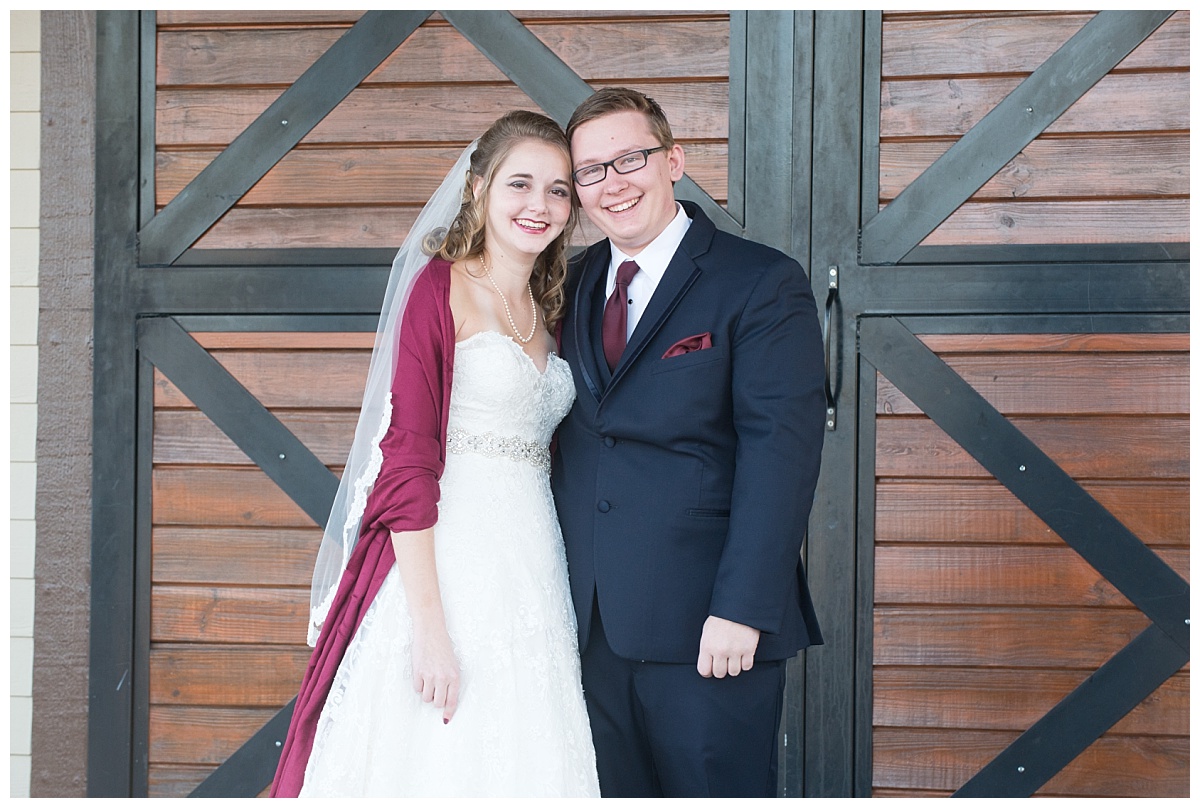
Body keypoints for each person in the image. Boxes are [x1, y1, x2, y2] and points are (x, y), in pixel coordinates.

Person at [271, 110, 600, 797]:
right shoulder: (439, 288)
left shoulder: (555, 304)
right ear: (478, 189)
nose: (539, 205)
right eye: (520, 184)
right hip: (446, 565)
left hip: (533, 563)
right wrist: (430, 630)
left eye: (558, 190)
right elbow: (409, 463)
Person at [551, 88, 826, 797]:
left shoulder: (759, 282)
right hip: (585, 629)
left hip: (709, 632)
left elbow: (781, 456)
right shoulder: (568, 287)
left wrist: (743, 608)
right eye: (590, 171)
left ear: (673, 160)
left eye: (630, 159)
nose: (613, 184)